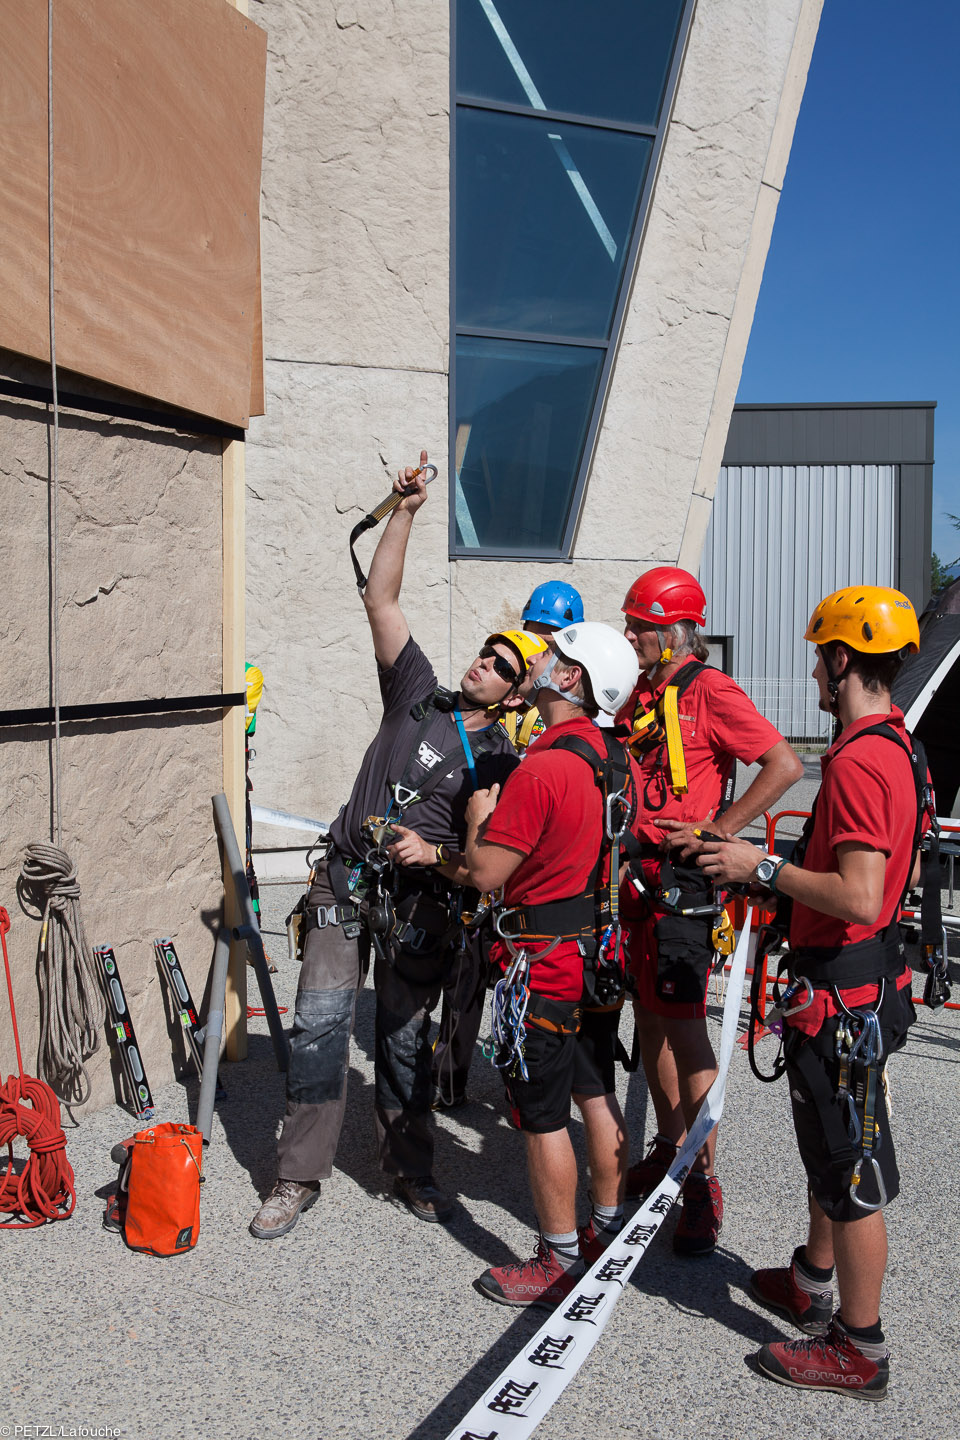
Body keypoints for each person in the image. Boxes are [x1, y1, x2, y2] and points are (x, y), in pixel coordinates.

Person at [249, 452, 546, 1239]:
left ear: (517, 694)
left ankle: (410, 1171)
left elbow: (486, 861)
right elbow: (381, 596)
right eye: (486, 651)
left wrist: (437, 853)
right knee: (317, 1027)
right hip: (346, 883)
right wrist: (406, 511)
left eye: (502, 665)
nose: (484, 663)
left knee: (407, 1039)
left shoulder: (503, 763)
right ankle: (296, 1176)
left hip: (424, 904)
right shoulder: (417, 694)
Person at [698, 585, 925, 1400]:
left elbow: (860, 895)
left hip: (845, 996)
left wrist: (760, 869)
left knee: (852, 1171)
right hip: (859, 984)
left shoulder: (862, 759)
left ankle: (859, 1349)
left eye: (819, 659)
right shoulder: (898, 745)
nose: (816, 677)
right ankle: (812, 1277)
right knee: (831, 1152)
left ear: (841, 659)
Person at [617, 566, 802, 1254]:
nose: (630, 634)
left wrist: (720, 828)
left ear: (673, 632)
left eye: (639, 625)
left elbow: (781, 763)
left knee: (685, 1027)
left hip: (686, 884)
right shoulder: (641, 691)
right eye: (629, 623)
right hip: (639, 875)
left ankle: (703, 1183)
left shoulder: (709, 691)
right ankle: (671, 1149)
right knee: (652, 1019)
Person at [464, 622, 642, 1306]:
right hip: (589, 949)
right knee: (592, 1088)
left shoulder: (543, 767)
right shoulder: (608, 756)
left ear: (570, 679)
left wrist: (484, 813)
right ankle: (604, 1225)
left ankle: (559, 1258)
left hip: (542, 961)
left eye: (553, 655)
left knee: (542, 1115)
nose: (539, 658)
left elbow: (485, 872)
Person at [431, 580, 586, 1109]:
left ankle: (500, 1068)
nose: (538, 642)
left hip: (521, 839)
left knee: (486, 970)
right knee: (465, 966)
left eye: (549, 635)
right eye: (534, 630)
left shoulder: (555, 695)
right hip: (490, 825)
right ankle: (450, 1077)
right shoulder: (516, 682)